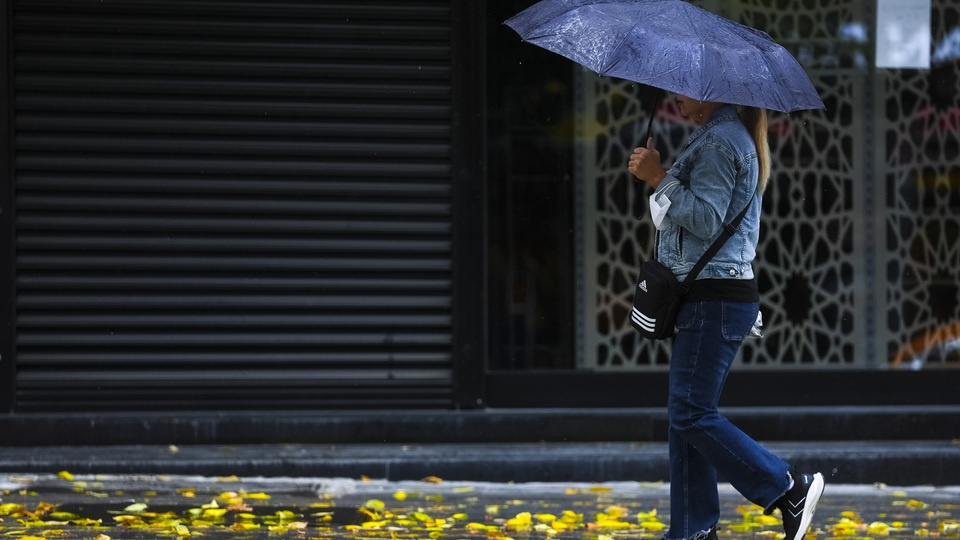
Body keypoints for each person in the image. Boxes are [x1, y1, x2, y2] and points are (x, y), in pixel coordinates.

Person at [627, 95, 824, 540]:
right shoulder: (720, 137)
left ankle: (788, 487)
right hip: (709, 298)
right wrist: (662, 176)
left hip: (713, 300)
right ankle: (693, 530)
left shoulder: (721, 142)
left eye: (685, 89)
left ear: (714, 92)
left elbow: (705, 218)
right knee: (686, 419)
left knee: (690, 412)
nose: (677, 96)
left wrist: (658, 177)